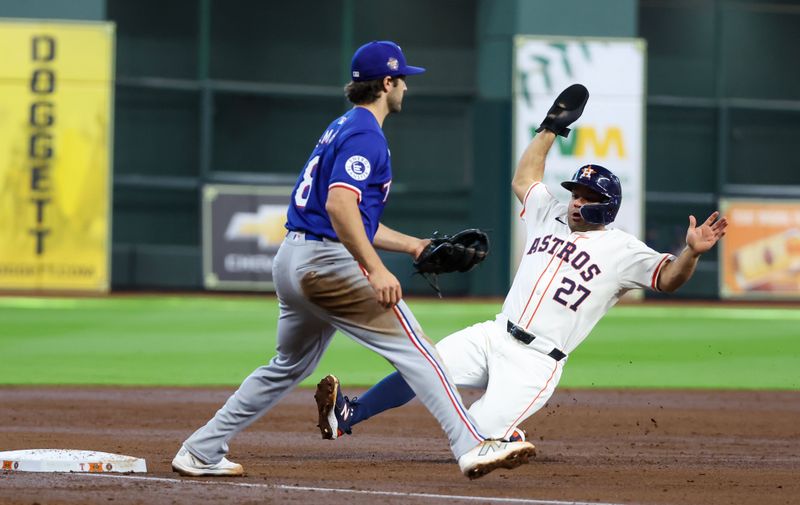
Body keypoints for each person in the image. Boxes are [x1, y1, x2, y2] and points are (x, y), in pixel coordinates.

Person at [171, 40, 535, 480]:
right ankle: (472, 445)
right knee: (420, 353)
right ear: (387, 83)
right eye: (403, 79)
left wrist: (414, 246)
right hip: (327, 263)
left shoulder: (342, 126)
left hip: (293, 259)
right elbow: (340, 207)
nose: (406, 88)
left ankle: (201, 448)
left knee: (287, 365)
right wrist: (376, 269)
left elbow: (355, 217)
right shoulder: (366, 135)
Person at [315, 83, 728, 445]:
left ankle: (501, 431)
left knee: (470, 434)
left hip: (536, 363)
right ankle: (348, 415)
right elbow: (524, 178)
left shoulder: (622, 250)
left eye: (587, 197)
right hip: (495, 334)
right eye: (576, 193)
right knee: (423, 364)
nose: (577, 201)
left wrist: (691, 252)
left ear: (608, 207)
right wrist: (550, 129)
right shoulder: (549, 212)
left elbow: (669, 278)